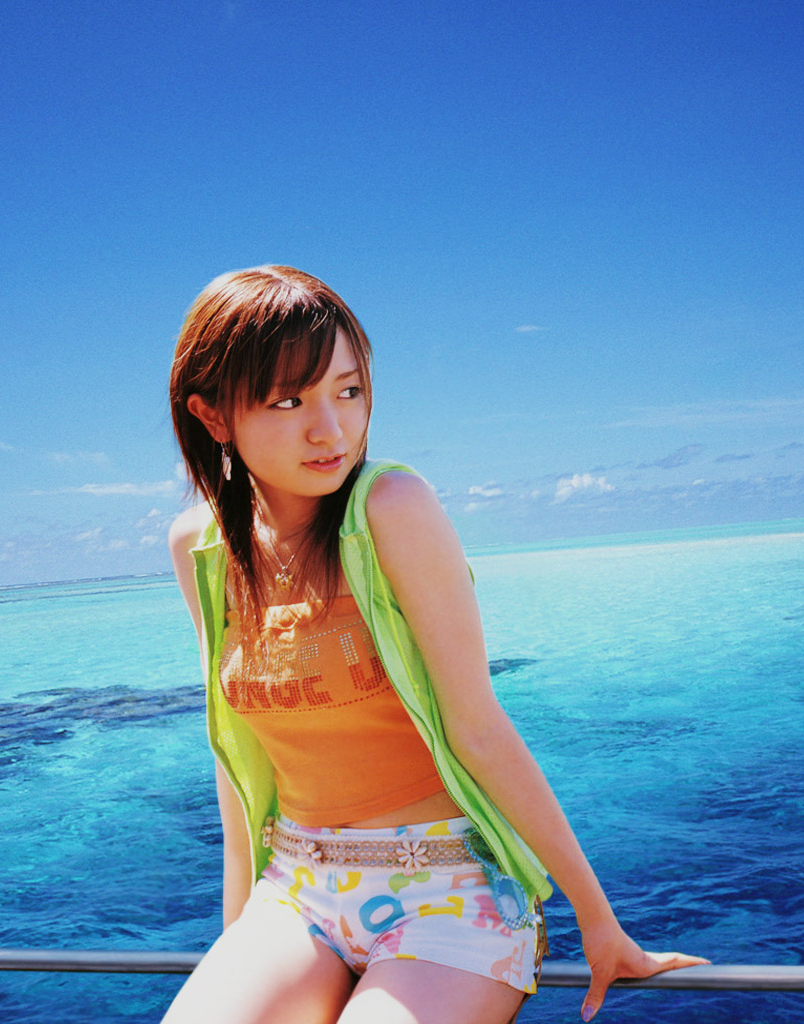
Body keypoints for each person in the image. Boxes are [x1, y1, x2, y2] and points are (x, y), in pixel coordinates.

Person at [161, 265, 706, 1024]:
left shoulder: (393, 507)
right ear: (213, 415)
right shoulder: (202, 548)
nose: (331, 429)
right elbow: (235, 760)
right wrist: (237, 940)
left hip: (448, 890)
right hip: (294, 891)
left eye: (348, 391)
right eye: (289, 401)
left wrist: (598, 920)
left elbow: (476, 725)